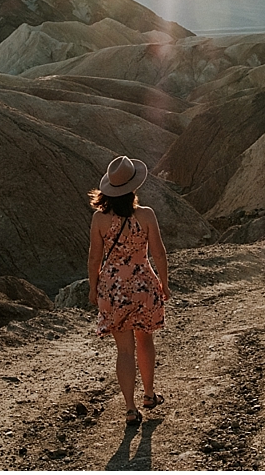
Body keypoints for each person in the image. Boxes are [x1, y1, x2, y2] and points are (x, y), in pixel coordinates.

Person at [88, 155, 171, 426]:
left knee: (124, 350)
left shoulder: (99, 221)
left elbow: (94, 259)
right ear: (134, 187)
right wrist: (165, 283)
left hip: (112, 290)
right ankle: (149, 394)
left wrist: (93, 288)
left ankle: (131, 409)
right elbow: (159, 253)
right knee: (145, 341)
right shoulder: (146, 215)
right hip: (143, 285)